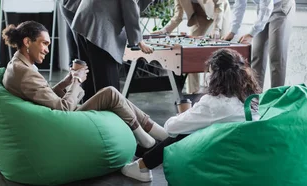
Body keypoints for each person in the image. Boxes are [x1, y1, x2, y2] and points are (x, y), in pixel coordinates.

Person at [1, 21, 168, 149]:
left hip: (51, 117)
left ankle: (148, 130)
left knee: (111, 95)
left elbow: (44, 95)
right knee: (110, 93)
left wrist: (67, 81)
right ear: (27, 42)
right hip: (61, 122)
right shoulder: (25, 72)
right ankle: (146, 136)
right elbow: (64, 109)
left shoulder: (19, 64)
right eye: (44, 43)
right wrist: (77, 80)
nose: (47, 50)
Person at [120, 48, 262, 182]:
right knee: (187, 128)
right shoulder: (252, 98)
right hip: (240, 152)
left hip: (215, 154)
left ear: (216, 75)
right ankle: (144, 152)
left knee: (181, 134)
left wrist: (185, 115)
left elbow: (171, 128)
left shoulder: (213, 103)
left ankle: (142, 166)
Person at [71, 0, 154, 101]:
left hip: (85, 20)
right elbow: (130, 5)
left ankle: (90, 115)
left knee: (90, 82)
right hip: (99, 24)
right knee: (109, 89)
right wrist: (138, 40)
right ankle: (106, 115)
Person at [152, 0, 233, 94]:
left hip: (219, 11)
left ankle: (222, 91)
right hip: (199, 15)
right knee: (190, 53)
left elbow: (219, 6)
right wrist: (165, 30)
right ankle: (193, 93)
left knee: (220, 50)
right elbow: (178, 15)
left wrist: (216, 29)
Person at [222, 0, 295, 88]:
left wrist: (251, 34)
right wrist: (233, 31)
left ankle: (276, 97)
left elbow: (267, 6)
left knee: (276, 56)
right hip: (263, 8)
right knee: (257, 54)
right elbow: (239, 5)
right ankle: (255, 95)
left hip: (281, 8)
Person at [60, 0, 81, 67]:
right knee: (81, 44)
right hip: (76, 5)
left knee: (74, 37)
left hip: (69, 5)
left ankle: (74, 68)